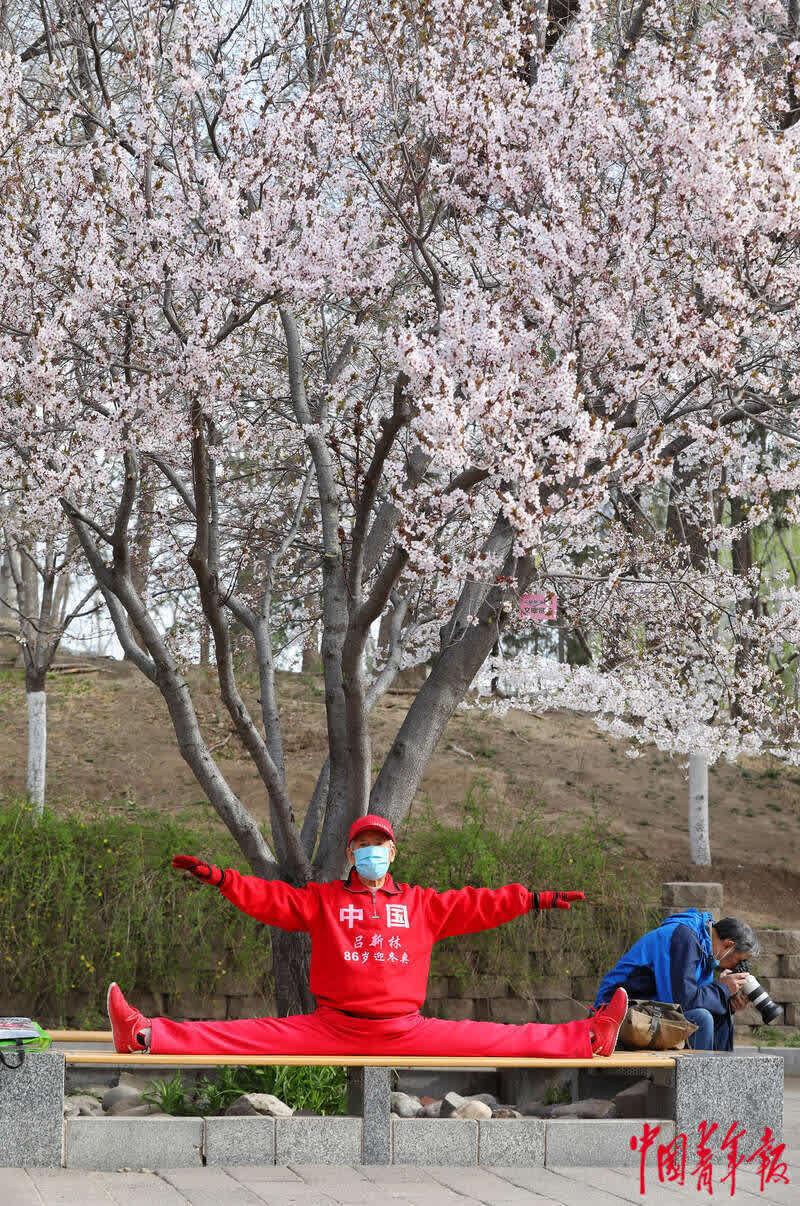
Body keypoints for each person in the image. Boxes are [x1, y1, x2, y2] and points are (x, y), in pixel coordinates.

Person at [107, 814, 628, 1059]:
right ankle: (142, 1033)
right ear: (350, 852)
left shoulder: (422, 904)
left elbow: (478, 903)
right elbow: (270, 899)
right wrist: (221, 878)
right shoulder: (322, 899)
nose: (371, 851)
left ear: (393, 853)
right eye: (362, 844)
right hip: (332, 1026)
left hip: (407, 1028)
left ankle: (589, 1036)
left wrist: (531, 898)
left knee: (498, 1036)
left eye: (380, 844)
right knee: (243, 1033)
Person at [594, 908, 759, 1051]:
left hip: (647, 1010)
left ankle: (717, 1080)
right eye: (739, 960)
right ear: (728, 945)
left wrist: (726, 1002)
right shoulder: (684, 938)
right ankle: (698, 1084)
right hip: (615, 1011)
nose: (736, 966)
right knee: (700, 1018)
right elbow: (681, 1002)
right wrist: (722, 990)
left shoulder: (704, 946)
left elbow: (696, 999)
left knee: (721, 1014)